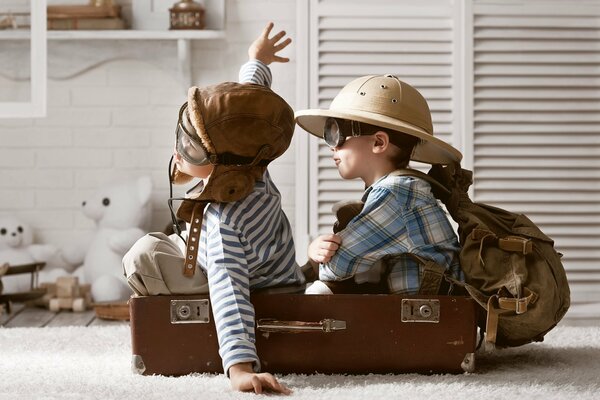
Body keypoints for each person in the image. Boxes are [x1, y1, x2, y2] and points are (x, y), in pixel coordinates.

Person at [123, 23, 303, 394]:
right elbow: (252, 103)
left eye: (190, 149)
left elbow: (228, 288)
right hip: (266, 268)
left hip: (255, 284)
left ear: (225, 166)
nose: (178, 151)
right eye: (181, 137)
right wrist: (258, 61)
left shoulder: (225, 221)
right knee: (166, 240)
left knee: (143, 254)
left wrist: (240, 367)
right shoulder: (255, 163)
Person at [295, 74, 464, 295]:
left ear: (378, 142)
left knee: (317, 293)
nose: (332, 147)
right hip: (421, 318)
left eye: (337, 134)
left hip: (433, 321)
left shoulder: (396, 193)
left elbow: (336, 268)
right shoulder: (404, 187)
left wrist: (314, 252)